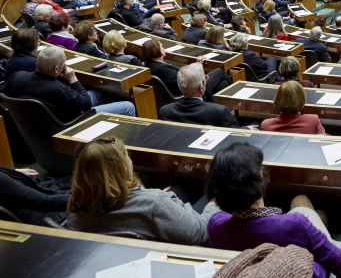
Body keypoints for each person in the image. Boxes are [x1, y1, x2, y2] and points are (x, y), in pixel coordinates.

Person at [205, 142, 341, 278]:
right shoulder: (294, 224)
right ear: (259, 181)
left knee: (312, 210)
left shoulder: (215, 224)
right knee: (306, 208)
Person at [66, 137, 218, 244]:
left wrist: (158, 197)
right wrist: (213, 206)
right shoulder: (154, 204)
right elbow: (200, 232)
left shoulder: (75, 206)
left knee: (181, 189)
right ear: (122, 168)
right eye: (128, 157)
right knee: (215, 194)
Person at [4, 46, 135, 119]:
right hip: (72, 120)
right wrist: (73, 79)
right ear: (56, 69)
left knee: (98, 94)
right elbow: (86, 104)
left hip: (35, 120)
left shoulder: (17, 76)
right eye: (63, 63)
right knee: (128, 106)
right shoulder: (57, 88)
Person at [159, 63, 240, 127]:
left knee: (223, 84)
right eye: (205, 79)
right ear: (201, 87)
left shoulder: (165, 111)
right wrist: (248, 128)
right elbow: (237, 135)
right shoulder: (220, 112)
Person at [259, 81, 325, 134]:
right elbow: (323, 139)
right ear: (302, 100)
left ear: (277, 99)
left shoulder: (266, 125)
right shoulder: (313, 120)